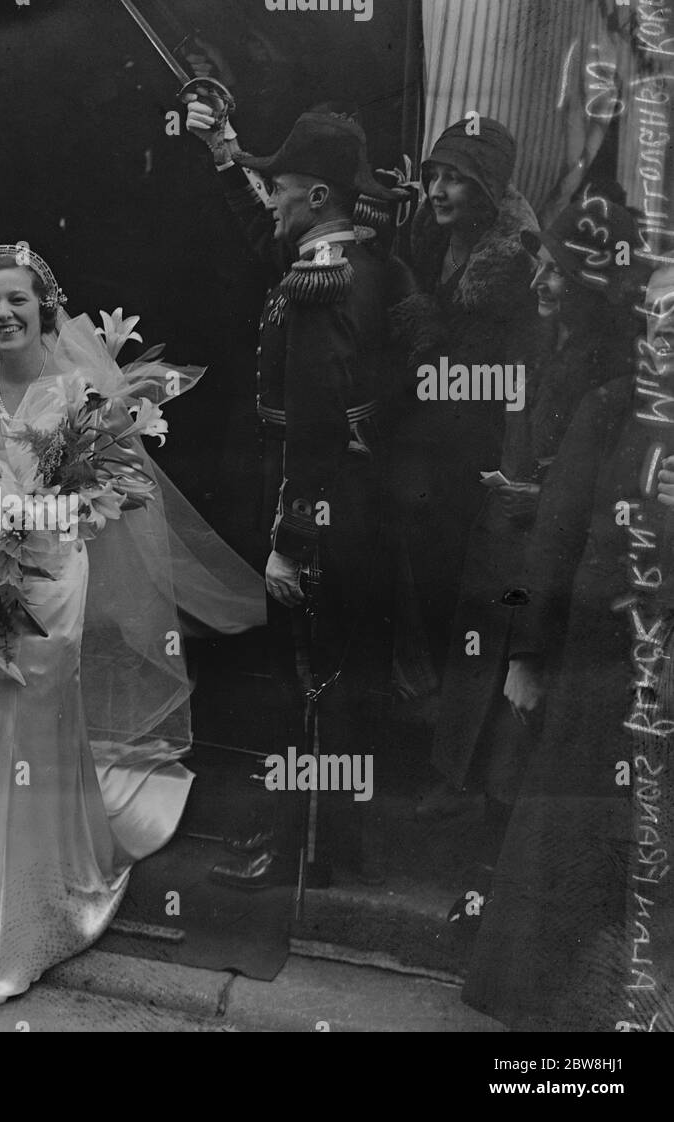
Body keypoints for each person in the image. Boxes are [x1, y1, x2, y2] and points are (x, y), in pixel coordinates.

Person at [0, 245, 266, 1015]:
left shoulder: (79, 389)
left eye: (17, 300)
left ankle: (14, 934)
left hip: (48, 583)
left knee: (19, 740)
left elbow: (118, 493)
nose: (3, 315)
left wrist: (25, 522)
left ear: (45, 308)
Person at [185, 104, 404, 886]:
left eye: (280, 188)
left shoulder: (323, 282)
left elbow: (315, 424)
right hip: (349, 510)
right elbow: (266, 242)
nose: (270, 199)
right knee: (326, 676)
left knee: (308, 681)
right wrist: (222, 158)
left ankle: (301, 849)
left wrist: (289, 539)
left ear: (316, 198)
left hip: (319, 513)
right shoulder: (350, 263)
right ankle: (321, 842)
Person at [429, 191, 645, 926]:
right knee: (495, 718)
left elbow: (600, 496)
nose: (540, 283)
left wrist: (541, 493)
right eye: (540, 265)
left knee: (528, 729)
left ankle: (502, 893)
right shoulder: (536, 341)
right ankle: (487, 873)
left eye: (557, 271)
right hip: (511, 557)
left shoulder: (612, 375)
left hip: (556, 576)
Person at [460, 261, 660, 1031]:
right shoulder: (611, 410)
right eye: (660, 321)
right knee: (574, 846)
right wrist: (527, 655)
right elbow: (555, 540)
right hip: (597, 673)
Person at [388, 118, 539, 720]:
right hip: (425, 439)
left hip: (474, 447)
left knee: (453, 577)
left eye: (457, 180)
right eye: (434, 177)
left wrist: (422, 330)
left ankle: (448, 718)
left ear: (489, 189)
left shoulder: (511, 267)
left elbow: (476, 377)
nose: (438, 192)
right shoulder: (427, 239)